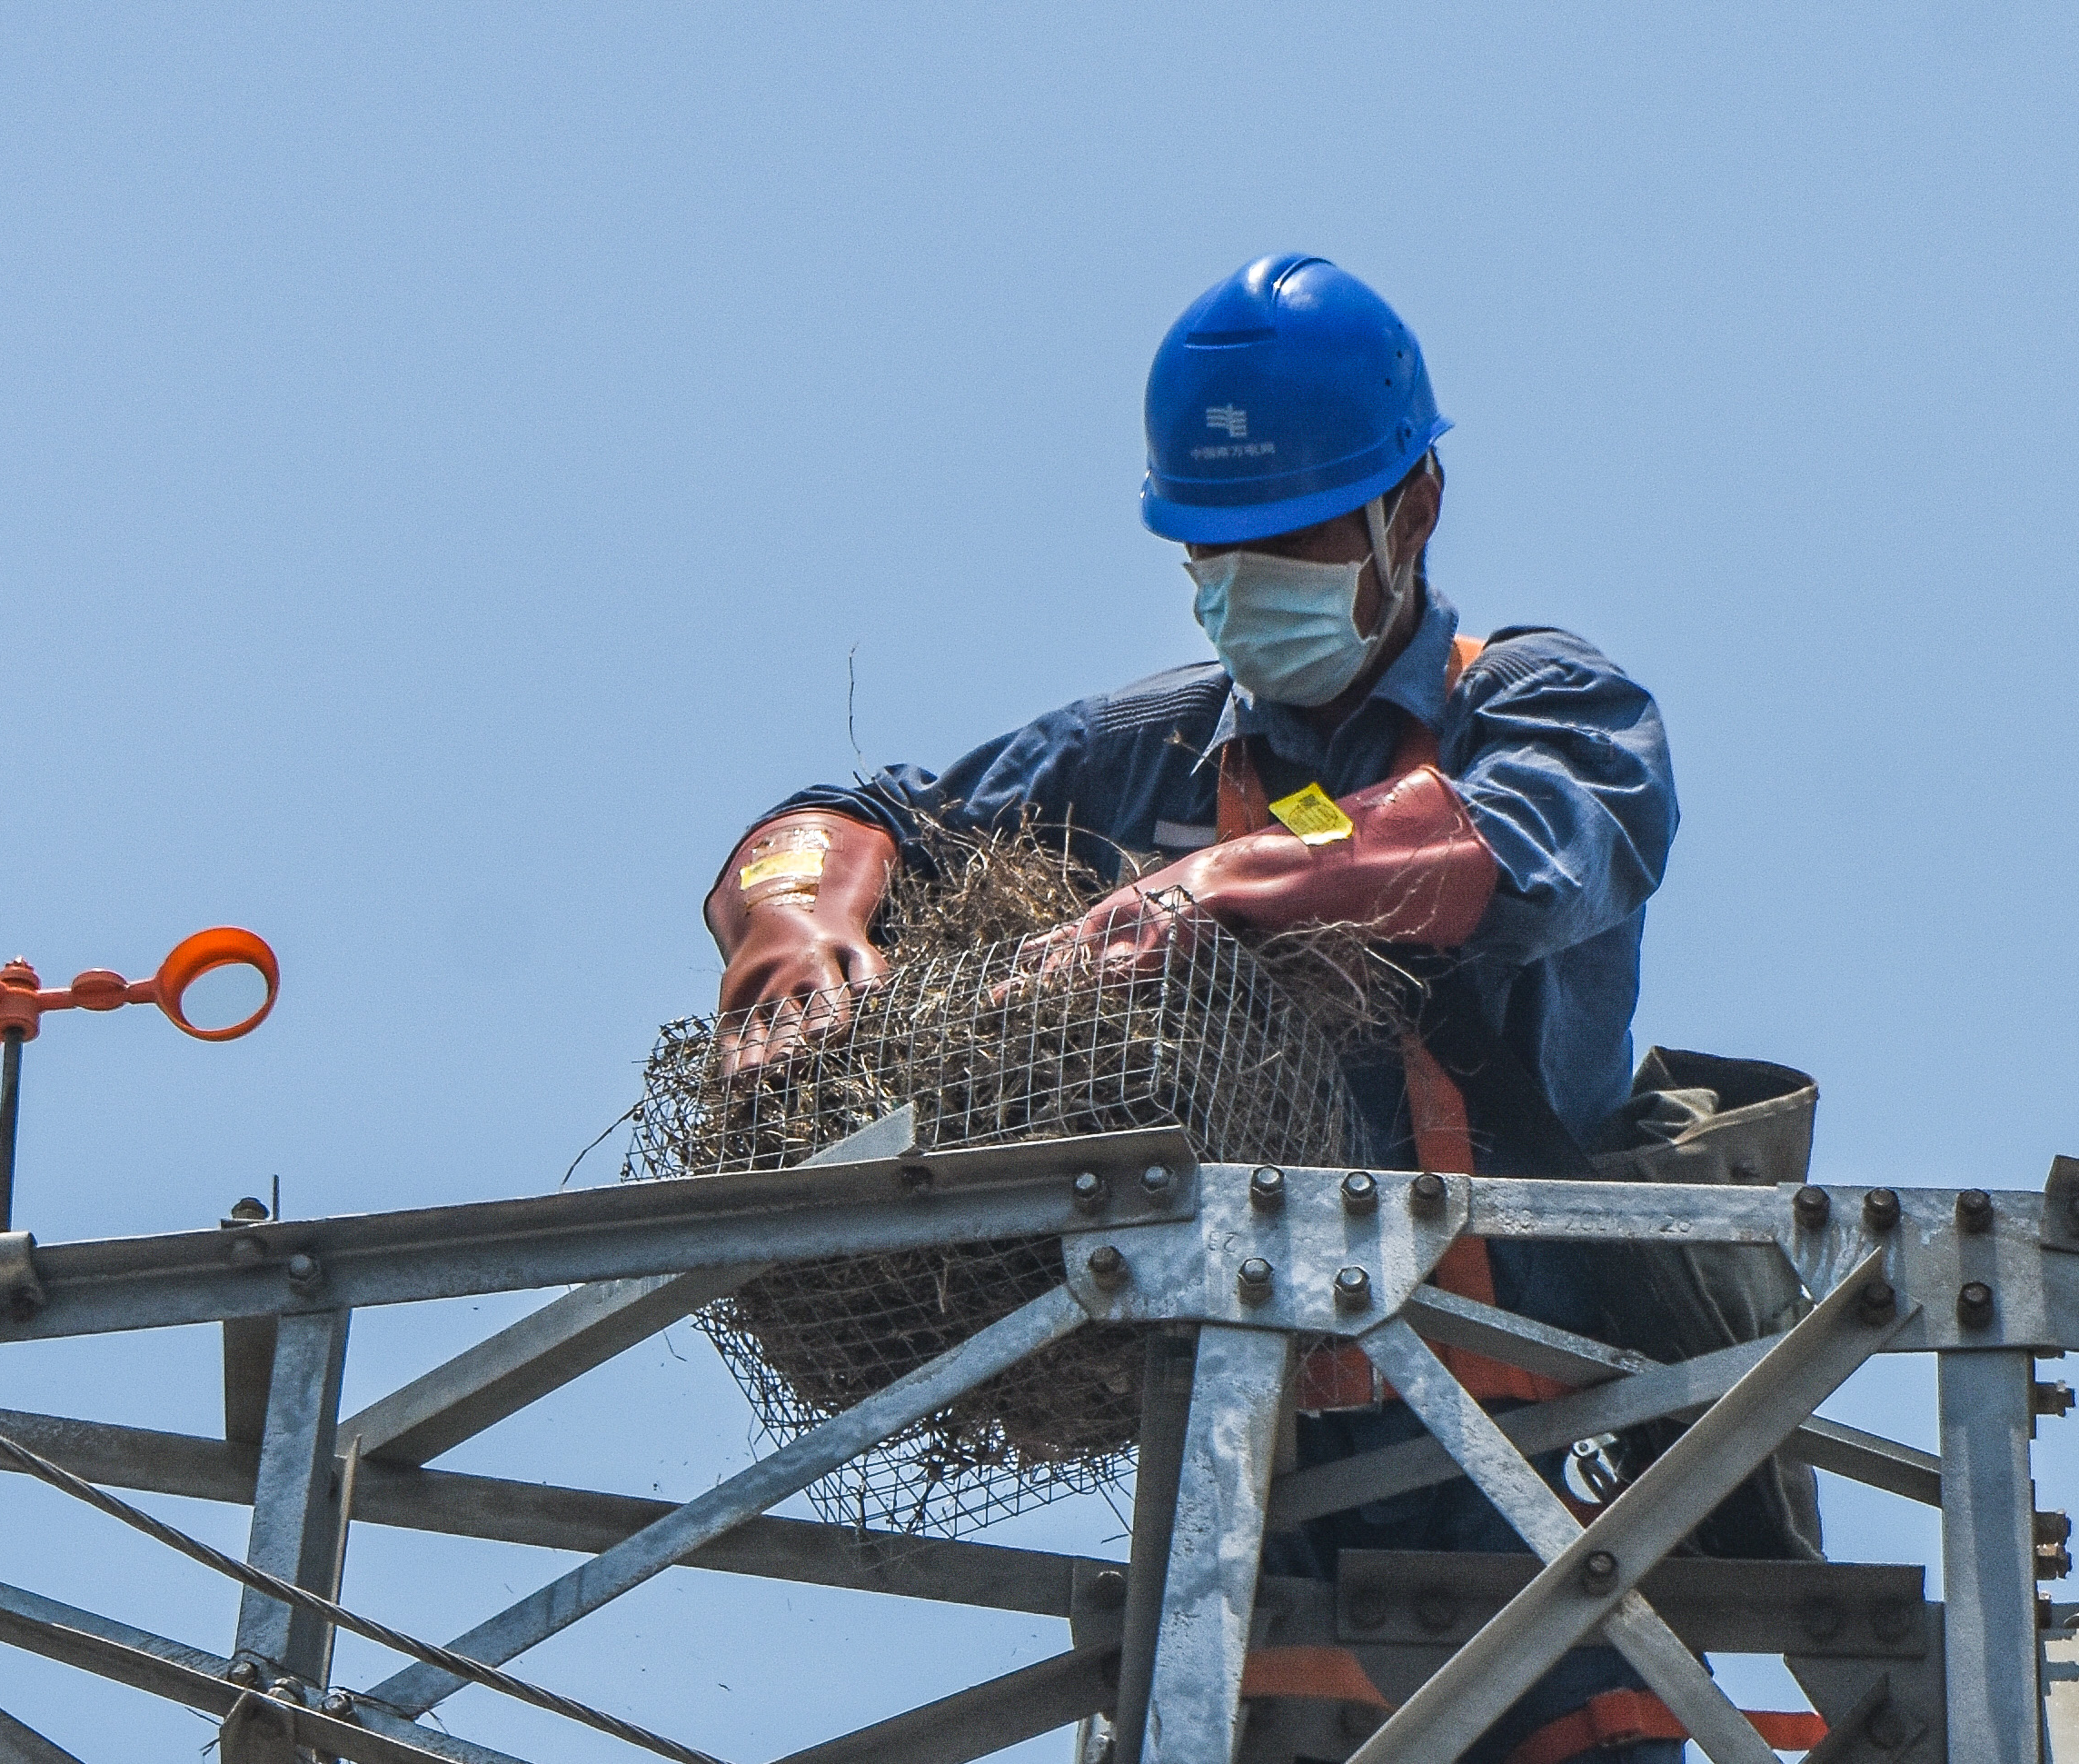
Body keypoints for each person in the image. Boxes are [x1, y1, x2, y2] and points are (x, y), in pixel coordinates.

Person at [704, 254, 1686, 1763]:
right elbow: (852, 810)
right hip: (1249, 1505)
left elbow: (1529, 845)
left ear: (1410, 509)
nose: (1242, 585)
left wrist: (1225, 886)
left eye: (1287, 538)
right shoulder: (1135, 756)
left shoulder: (1545, 702)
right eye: (1209, 550)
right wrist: (794, 905)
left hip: (1528, 1496)